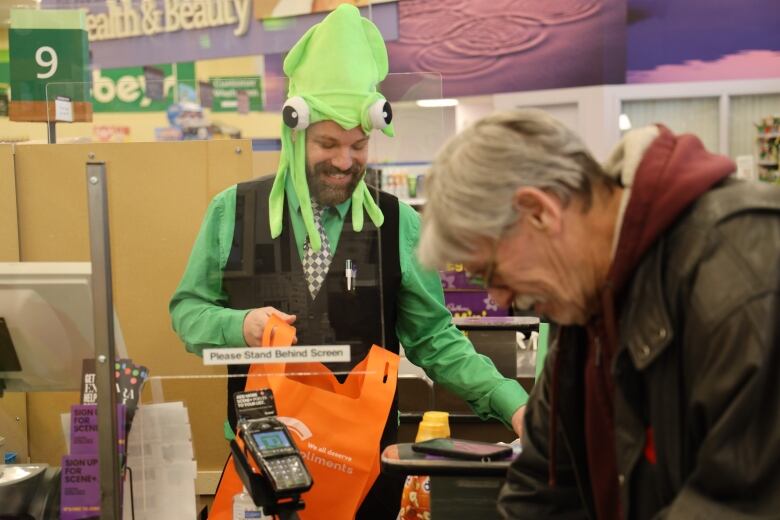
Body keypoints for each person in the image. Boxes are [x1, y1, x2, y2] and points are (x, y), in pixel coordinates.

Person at [169, 6, 527, 518]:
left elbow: (435, 340)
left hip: (366, 471)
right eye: (328, 144)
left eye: (358, 145)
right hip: (262, 466)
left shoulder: (396, 223)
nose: (344, 161)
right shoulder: (233, 212)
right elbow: (187, 313)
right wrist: (239, 325)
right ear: (295, 133)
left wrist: (511, 400)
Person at [418, 109, 780, 519]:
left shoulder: (744, 276)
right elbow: (541, 487)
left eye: (492, 273)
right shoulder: (584, 306)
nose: (501, 298)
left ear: (539, 212)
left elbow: (740, 505)